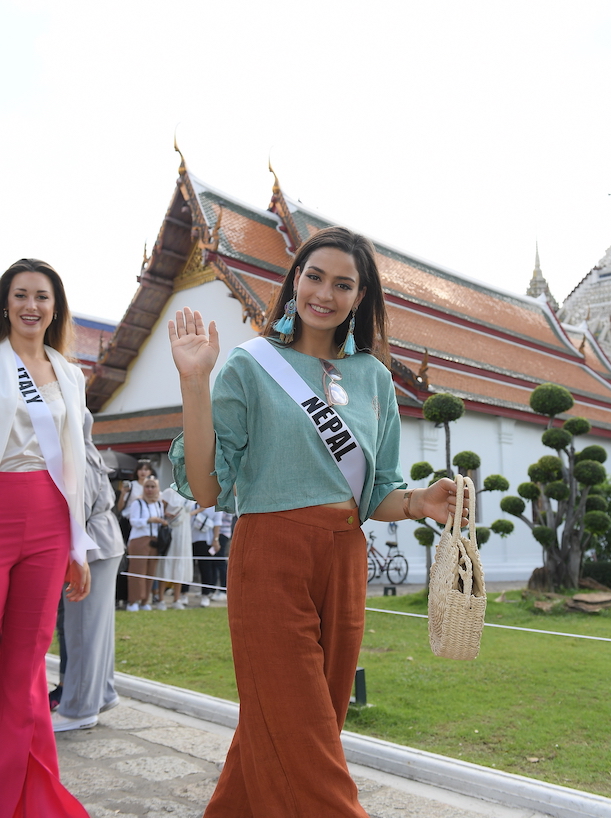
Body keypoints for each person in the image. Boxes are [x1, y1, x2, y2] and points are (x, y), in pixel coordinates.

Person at [168, 226, 467, 818]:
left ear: (360, 298)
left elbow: (374, 489)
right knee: (304, 746)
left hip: (344, 559)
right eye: (314, 276)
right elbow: (205, 486)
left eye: (343, 284)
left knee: (300, 730)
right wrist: (195, 381)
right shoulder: (252, 367)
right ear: (294, 280)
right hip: (271, 555)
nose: (324, 293)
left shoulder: (375, 378)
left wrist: (417, 503)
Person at [0, 257, 91, 818]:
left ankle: (21, 795)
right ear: (5, 304)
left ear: (55, 307)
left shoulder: (69, 371)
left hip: (51, 520)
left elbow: (76, 466)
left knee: (26, 663)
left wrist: (77, 549)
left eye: (42, 296)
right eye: (20, 295)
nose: (31, 306)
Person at [52, 410, 125, 730]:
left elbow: (76, 512)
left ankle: (80, 709)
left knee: (83, 629)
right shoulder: (86, 448)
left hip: (91, 546)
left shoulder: (75, 455)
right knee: (96, 630)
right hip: (104, 543)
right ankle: (103, 692)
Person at [126, 475, 169, 611]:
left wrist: (162, 522)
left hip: (154, 540)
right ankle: (133, 601)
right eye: (147, 486)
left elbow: (160, 518)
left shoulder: (158, 503)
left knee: (151, 572)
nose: (150, 490)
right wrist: (148, 520)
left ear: (157, 488)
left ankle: (145, 601)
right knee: (137, 572)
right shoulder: (137, 503)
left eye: (153, 486)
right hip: (139, 539)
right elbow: (133, 521)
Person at [157, 488, 195, 609]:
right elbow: (159, 509)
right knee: (166, 563)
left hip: (184, 532)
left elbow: (191, 511)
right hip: (170, 531)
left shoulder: (191, 493)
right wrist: (166, 514)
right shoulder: (168, 492)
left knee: (181, 563)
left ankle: (176, 599)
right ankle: (161, 599)